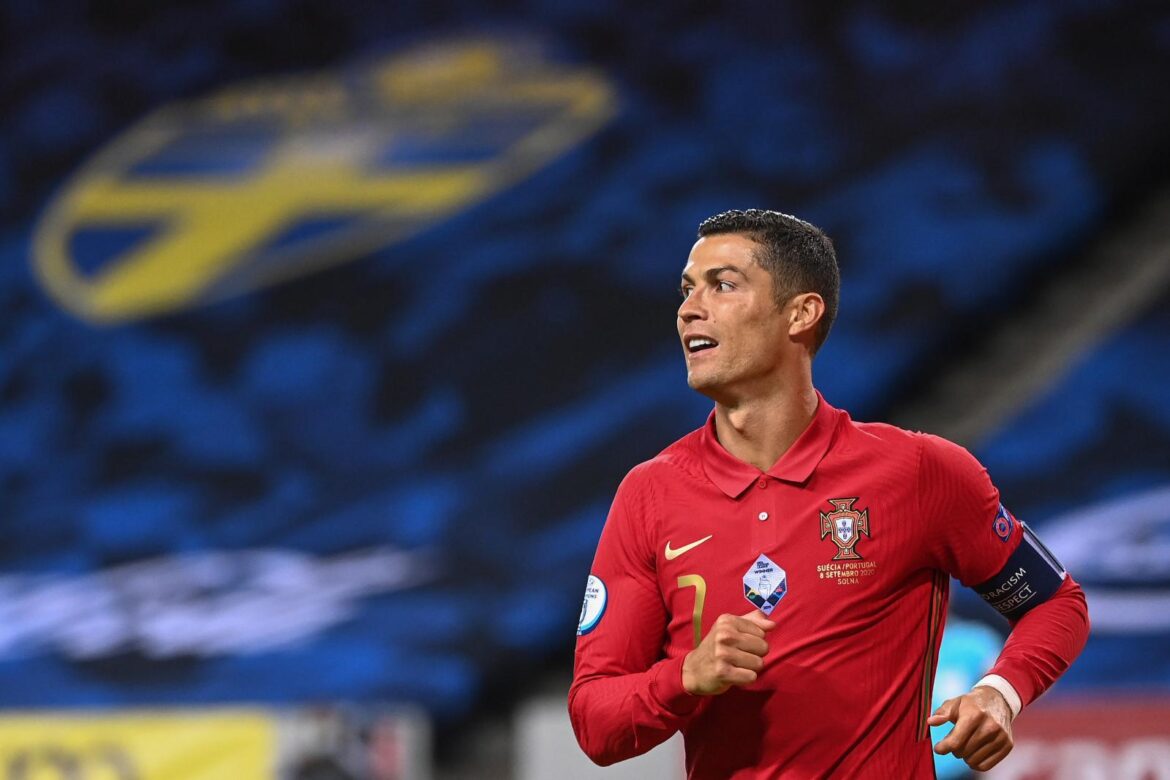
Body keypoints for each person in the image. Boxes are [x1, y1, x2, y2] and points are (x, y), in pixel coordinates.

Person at [568, 210, 1090, 778]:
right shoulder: (650, 493)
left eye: (723, 285)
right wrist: (684, 677)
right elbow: (596, 722)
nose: (689, 308)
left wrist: (1001, 692)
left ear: (801, 313)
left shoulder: (920, 471)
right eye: (687, 289)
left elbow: (1057, 603)